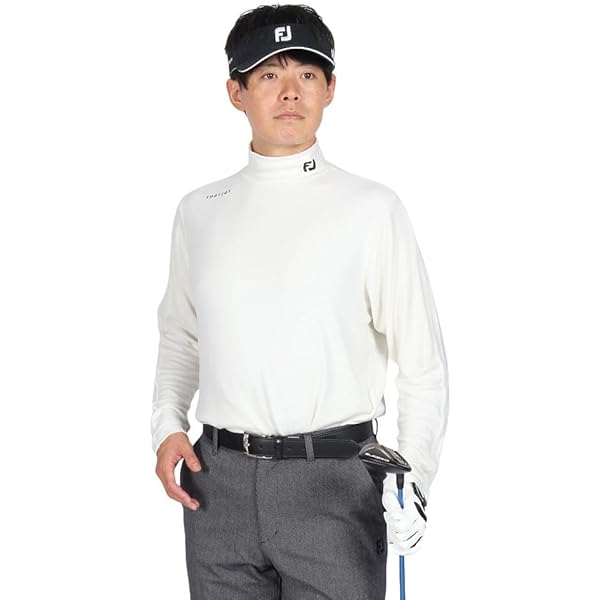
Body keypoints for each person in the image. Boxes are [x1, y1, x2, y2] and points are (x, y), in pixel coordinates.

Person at [151, 4, 449, 599]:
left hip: (335, 485)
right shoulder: (199, 211)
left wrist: (413, 476)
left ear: (330, 89)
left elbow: (423, 364)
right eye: (269, 74)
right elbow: (181, 333)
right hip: (217, 484)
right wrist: (166, 425)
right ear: (236, 92)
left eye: (307, 74)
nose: (290, 92)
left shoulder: (372, 209)